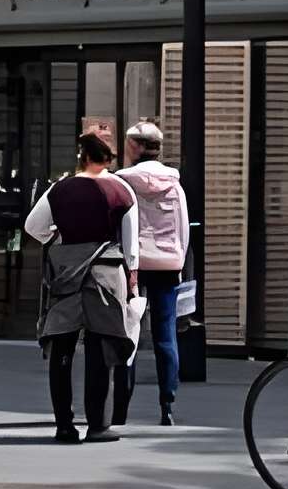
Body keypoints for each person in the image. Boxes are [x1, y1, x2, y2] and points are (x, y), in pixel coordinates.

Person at [21, 129, 136, 446]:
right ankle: (98, 425)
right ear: (108, 159)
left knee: (62, 348)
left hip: (67, 273)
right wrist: (133, 277)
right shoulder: (120, 189)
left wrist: (57, 236)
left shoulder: (60, 188)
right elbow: (130, 242)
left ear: (81, 157)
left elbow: (33, 226)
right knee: (101, 349)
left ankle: (64, 425)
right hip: (105, 275)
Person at [114, 120, 192, 428]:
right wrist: (178, 262)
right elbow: (183, 230)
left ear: (135, 146)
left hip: (132, 266)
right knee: (165, 335)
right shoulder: (174, 185)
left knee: (128, 332)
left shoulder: (123, 182)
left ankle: (121, 405)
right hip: (167, 266)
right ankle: (167, 404)